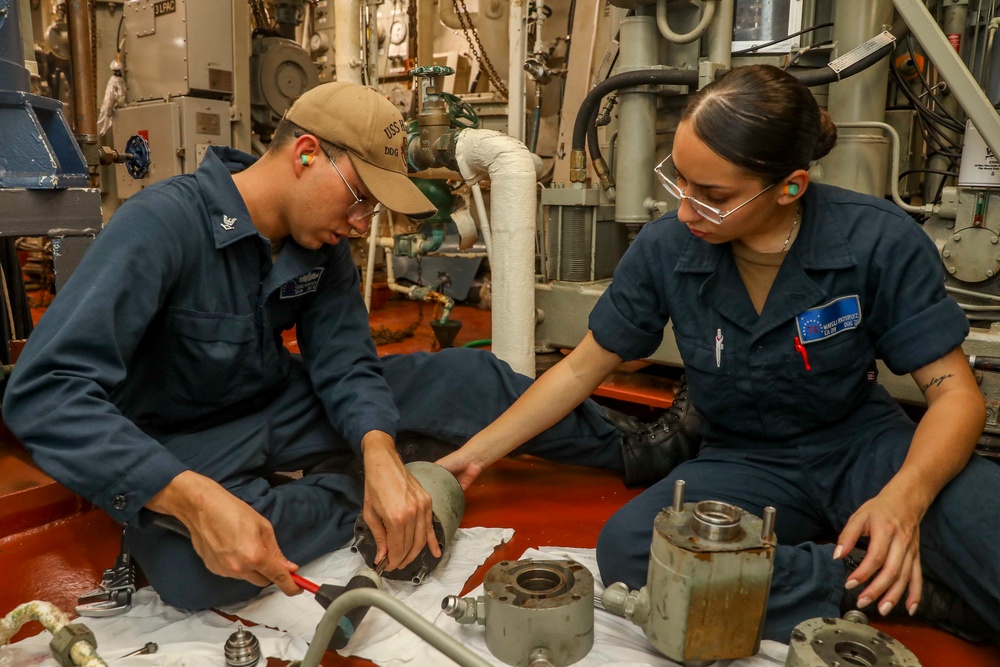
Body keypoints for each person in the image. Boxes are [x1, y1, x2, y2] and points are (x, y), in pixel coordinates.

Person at [1, 81, 694, 611]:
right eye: (360, 200)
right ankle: (390, 487)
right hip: (180, 444)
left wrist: (377, 444)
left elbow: (344, 358)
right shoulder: (161, 228)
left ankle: (635, 447)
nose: (363, 225)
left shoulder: (317, 241)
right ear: (306, 155)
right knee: (195, 571)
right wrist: (188, 498)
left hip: (276, 403)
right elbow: (44, 391)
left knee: (471, 378)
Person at [439, 64, 1000, 644]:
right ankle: (898, 590)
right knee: (634, 554)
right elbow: (582, 367)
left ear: (790, 187)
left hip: (863, 446)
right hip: (744, 462)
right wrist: (472, 456)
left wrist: (903, 501)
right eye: (680, 182)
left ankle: (865, 566)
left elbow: (956, 394)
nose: (686, 211)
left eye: (713, 197)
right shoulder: (666, 248)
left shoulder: (877, 239)